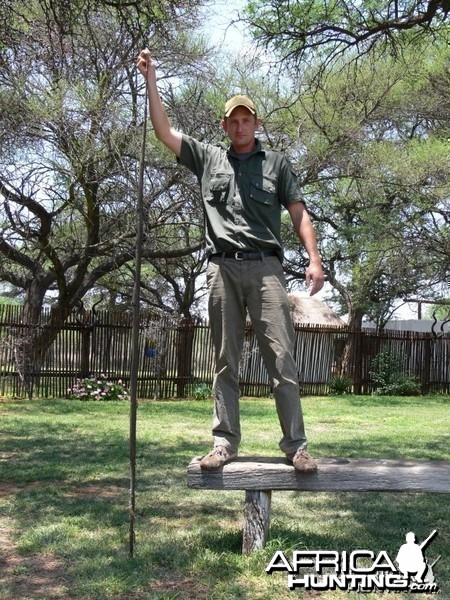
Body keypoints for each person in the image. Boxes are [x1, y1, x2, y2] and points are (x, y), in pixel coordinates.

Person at [136, 49, 325, 472]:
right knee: (225, 360)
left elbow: (298, 212)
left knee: (282, 359)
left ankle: (296, 447)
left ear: (256, 124)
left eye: (247, 119)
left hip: (266, 269)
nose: (240, 126)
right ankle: (223, 444)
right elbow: (163, 131)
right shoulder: (208, 157)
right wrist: (152, 79)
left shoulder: (277, 163)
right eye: (233, 120)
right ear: (225, 125)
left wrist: (314, 258)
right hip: (221, 268)